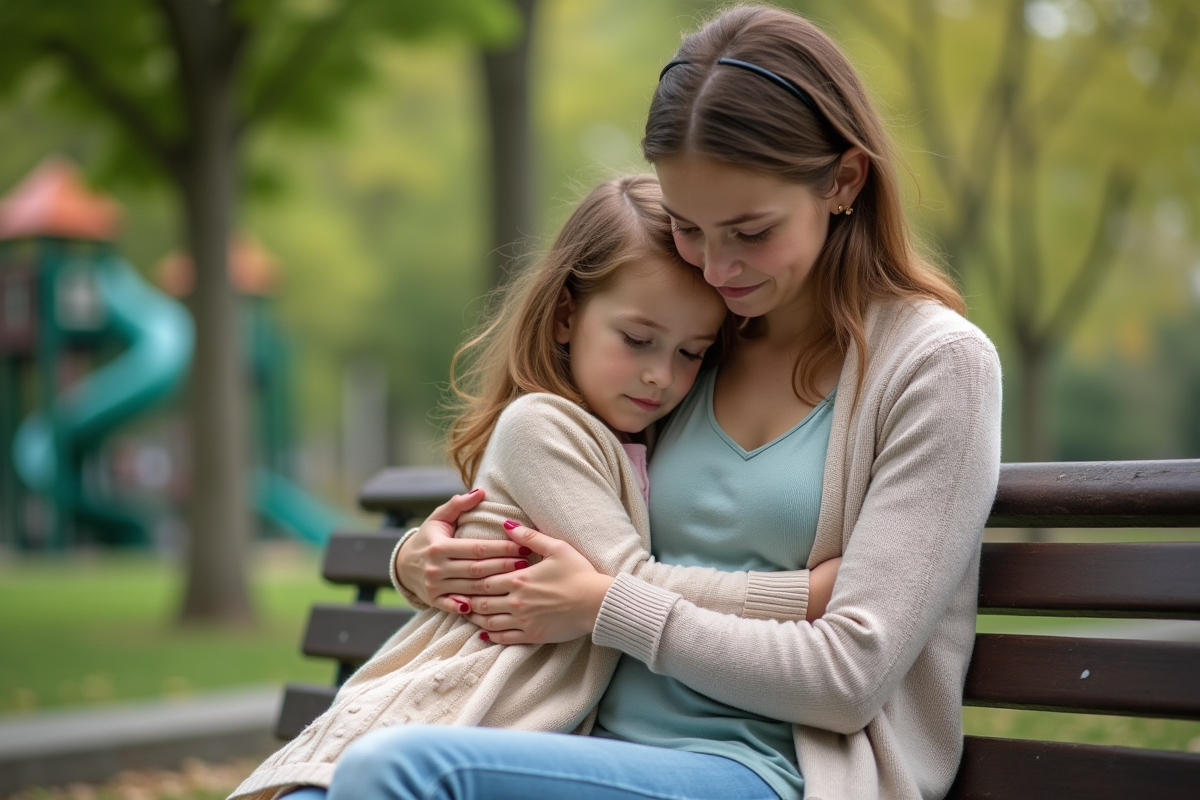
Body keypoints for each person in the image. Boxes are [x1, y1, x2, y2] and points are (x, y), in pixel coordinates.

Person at [375, 4, 1004, 800]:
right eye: (688, 228)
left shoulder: (935, 366)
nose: (715, 267)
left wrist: (609, 607)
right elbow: (561, 504)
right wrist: (421, 563)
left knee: (398, 770)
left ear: (844, 180)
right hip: (589, 742)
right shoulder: (695, 345)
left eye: (750, 231)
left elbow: (849, 676)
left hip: (778, 770)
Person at [229, 174, 842, 800]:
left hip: (512, 729)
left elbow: (608, 592)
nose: (660, 375)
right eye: (637, 340)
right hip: (468, 702)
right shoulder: (539, 424)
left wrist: (408, 559)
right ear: (565, 316)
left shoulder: (651, 431)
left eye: (691, 353)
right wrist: (805, 595)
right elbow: (623, 585)